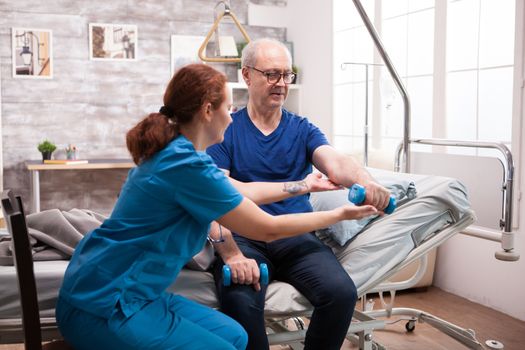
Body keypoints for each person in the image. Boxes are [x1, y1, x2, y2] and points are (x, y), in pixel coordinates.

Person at [55, 63, 378, 350]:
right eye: (227, 106)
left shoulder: (182, 155)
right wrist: (340, 214)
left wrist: (306, 185)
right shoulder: (183, 165)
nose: (231, 114)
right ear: (208, 111)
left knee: (236, 338)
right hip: (103, 303)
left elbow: (242, 190)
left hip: (137, 294)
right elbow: (266, 227)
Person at [206, 38, 392, 350]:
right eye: (271, 74)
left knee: (341, 293)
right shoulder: (224, 129)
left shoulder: (302, 129)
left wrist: (366, 181)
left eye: (286, 75)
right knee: (239, 300)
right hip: (245, 237)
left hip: (295, 235)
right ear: (246, 76)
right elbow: (214, 199)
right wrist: (231, 254)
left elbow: (337, 162)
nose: (280, 83)